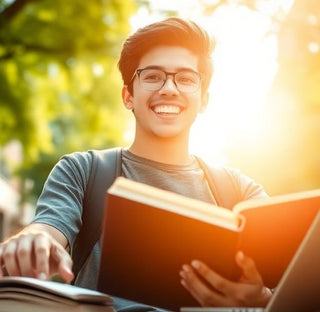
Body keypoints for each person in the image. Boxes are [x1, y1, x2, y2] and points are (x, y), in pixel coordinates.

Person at [0, 17, 272, 310]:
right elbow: (47, 229)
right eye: (153, 76)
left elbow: (289, 285)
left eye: (186, 78)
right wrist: (31, 240)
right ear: (128, 95)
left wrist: (264, 300)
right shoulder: (83, 171)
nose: (169, 88)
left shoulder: (241, 193)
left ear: (204, 99)